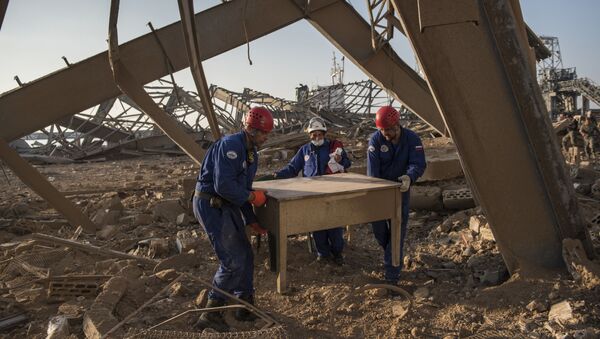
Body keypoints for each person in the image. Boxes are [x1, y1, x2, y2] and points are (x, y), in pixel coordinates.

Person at [192, 106, 273, 331]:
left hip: (226, 204)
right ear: (251, 130)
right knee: (232, 259)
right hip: (211, 204)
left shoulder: (250, 152)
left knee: (245, 254)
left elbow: (243, 188)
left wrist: (251, 220)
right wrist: (250, 197)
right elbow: (225, 186)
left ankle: (244, 305)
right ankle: (211, 313)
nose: (266, 138)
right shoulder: (231, 146)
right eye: (264, 133)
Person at [274, 117, 351, 265]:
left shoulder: (333, 147)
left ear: (324, 133)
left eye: (319, 134)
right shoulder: (304, 150)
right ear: (310, 135)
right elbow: (293, 168)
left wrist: (340, 159)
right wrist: (278, 175)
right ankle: (323, 254)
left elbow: (347, 163)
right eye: (314, 135)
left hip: (332, 192)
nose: (317, 137)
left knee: (334, 224)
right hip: (312, 195)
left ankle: (337, 253)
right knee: (316, 224)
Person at [367, 106, 426, 284]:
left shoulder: (412, 139)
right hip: (380, 192)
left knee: (397, 233)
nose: (385, 134)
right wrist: (376, 191)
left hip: (400, 192)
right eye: (382, 130)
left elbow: (418, 163)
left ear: (397, 126)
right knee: (379, 231)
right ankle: (391, 255)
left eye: (388, 130)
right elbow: (373, 172)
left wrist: (410, 176)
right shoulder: (375, 141)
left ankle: (392, 274)